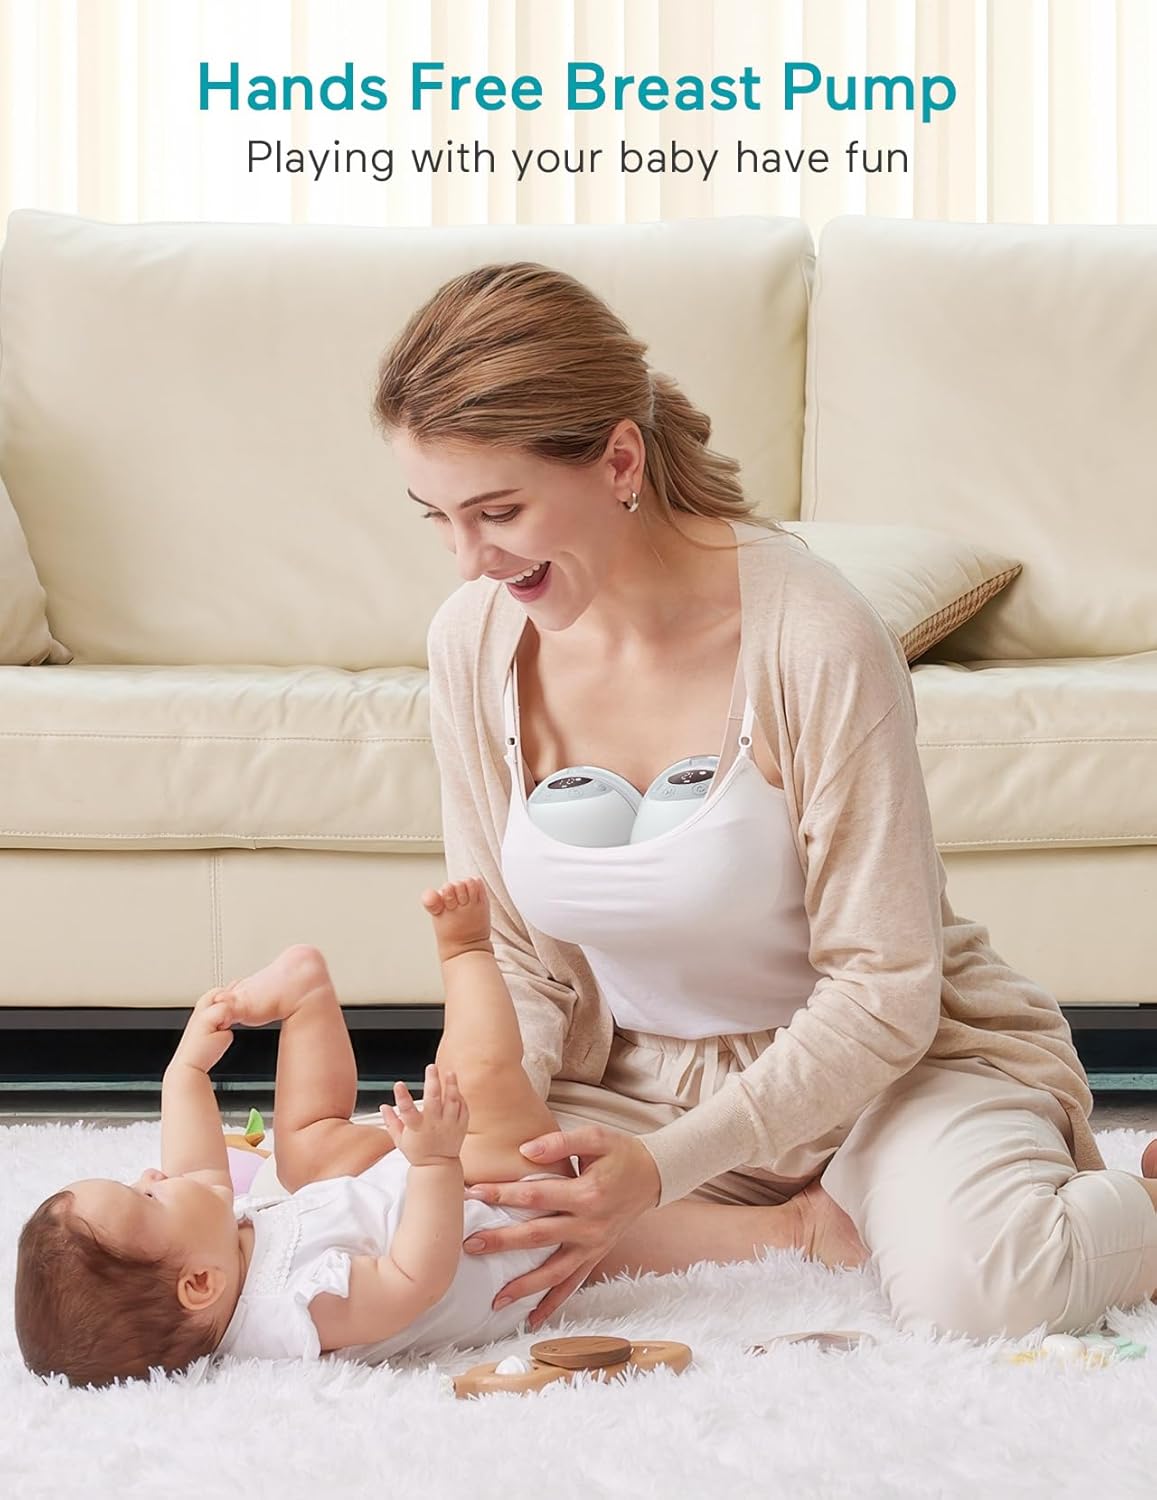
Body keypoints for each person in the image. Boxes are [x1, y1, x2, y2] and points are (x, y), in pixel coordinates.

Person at [371, 259, 1157, 1342]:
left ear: (617, 458)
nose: (469, 559)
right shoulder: (471, 641)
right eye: (438, 518)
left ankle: (1143, 1204)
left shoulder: (813, 635)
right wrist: (498, 1118)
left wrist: (660, 1173)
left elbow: (884, 991)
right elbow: (515, 953)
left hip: (891, 1075)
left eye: (497, 511)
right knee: (417, 1237)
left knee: (987, 1292)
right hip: (641, 1081)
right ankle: (796, 1229)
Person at [14, 880, 862, 1390]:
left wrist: (184, 1076)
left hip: (413, 1191)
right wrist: (434, 1165)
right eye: (142, 1196)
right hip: (485, 1226)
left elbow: (193, 1165)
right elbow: (415, 1278)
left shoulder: (210, 1249)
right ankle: (468, 956)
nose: (153, 1175)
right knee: (480, 1085)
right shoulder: (291, 1315)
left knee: (304, 1147)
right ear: (197, 1285)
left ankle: (308, 999)